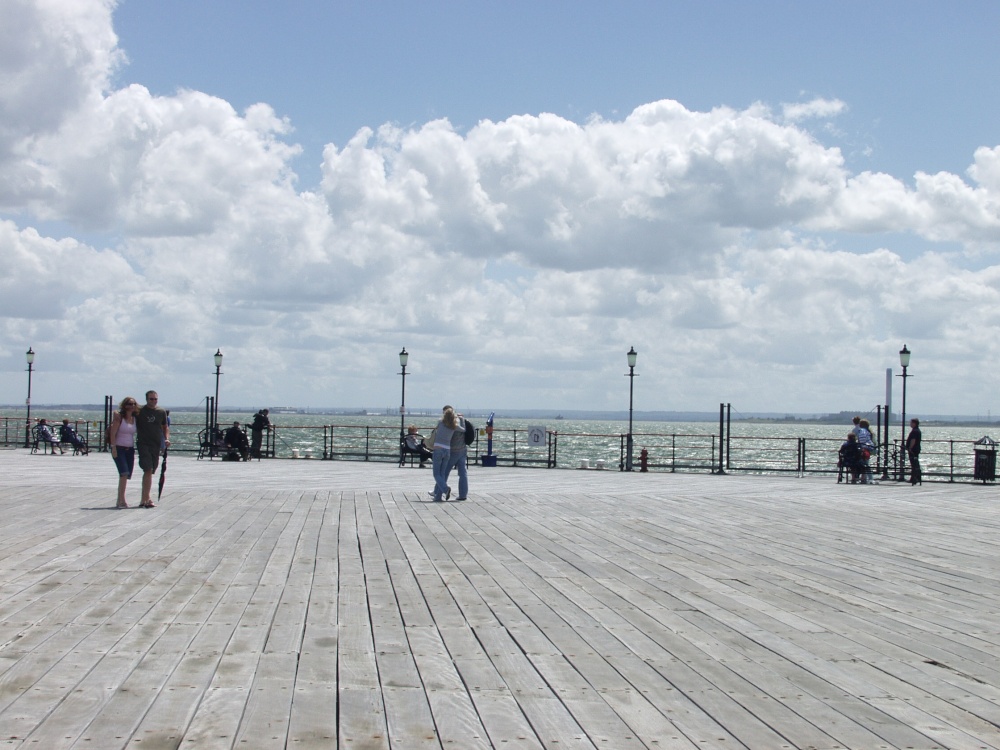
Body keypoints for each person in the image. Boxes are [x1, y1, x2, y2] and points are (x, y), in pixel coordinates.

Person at [136, 390, 170, 508]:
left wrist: (166, 439)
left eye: (155, 399)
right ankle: (148, 498)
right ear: (146, 399)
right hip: (143, 443)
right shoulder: (140, 411)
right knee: (148, 469)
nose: (154, 401)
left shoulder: (161, 412)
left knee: (152, 470)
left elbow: (165, 427)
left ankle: (143, 499)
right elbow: (126, 415)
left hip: (155, 445)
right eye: (151, 399)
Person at [109, 397, 139, 508]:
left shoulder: (135, 418)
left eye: (134, 404)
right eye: (129, 404)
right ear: (124, 405)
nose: (132, 406)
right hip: (119, 448)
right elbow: (113, 433)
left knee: (127, 475)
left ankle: (121, 499)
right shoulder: (119, 418)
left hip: (130, 449)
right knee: (123, 473)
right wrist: (113, 448)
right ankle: (120, 500)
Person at [428, 406, 460, 501]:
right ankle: (438, 497)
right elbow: (463, 429)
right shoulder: (455, 426)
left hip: (438, 449)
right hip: (447, 450)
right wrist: (460, 419)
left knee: (436, 474)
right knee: (442, 474)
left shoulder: (440, 422)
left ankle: (446, 489)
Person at [444, 412, 469, 501]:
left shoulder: (452, 426)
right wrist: (461, 418)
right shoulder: (462, 422)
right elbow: (464, 430)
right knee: (463, 473)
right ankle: (463, 494)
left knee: (445, 471)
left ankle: (439, 491)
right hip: (463, 450)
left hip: (453, 451)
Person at [856, 418, 877, 484]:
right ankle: (867, 478)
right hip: (869, 448)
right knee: (866, 464)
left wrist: (862, 446)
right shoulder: (868, 431)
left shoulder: (862, 431)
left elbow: (862, 440)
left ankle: (869, 478)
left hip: (865, 449)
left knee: (865, 464)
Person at [906, 418, 922, 485]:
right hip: (917, 449)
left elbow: (913, 440)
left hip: (913, 450)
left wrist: (910, 447)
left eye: (911, 423)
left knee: (914, 464)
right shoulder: (917, 430)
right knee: (915, 463)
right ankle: (917, 477)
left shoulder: (914, 431)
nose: (910, 424)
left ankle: (914, 477)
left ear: (914, 423)